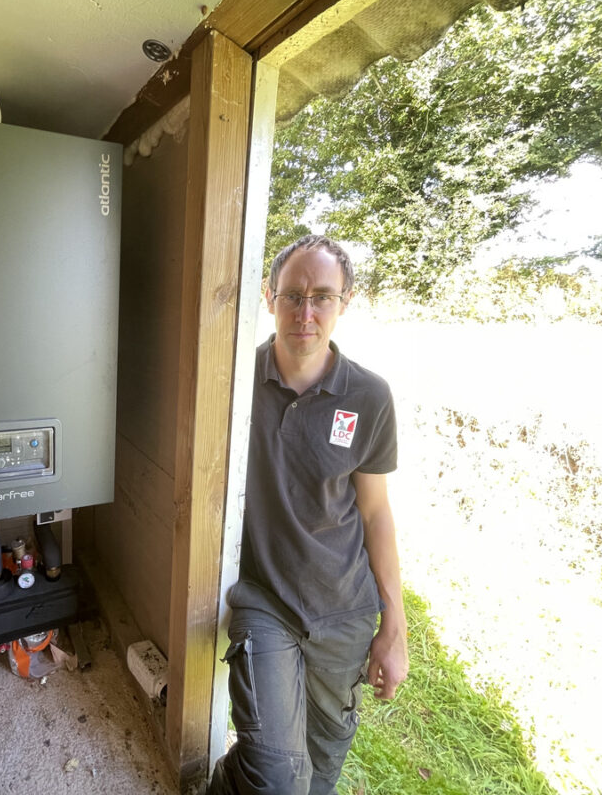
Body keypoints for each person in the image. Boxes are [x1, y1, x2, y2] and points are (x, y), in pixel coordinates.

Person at [207, 235, 409, 795]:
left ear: (345, 301)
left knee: (321, 771)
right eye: (293, 295)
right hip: (265, 601)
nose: (306, 312)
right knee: (277, 777)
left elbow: (375, 513)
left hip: (344, 612)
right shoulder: (229, 382)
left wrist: (394, 623)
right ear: (269, 297)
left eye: (322, 296)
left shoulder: (370, 396)